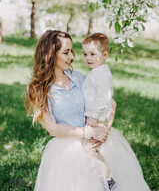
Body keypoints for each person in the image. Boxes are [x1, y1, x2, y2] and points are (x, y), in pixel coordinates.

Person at [25, 29, 150, 191]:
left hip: (95, 141)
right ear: (51, 54)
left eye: (72, 51)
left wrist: (104, 131)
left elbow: (110, 103)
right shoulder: (39, 89)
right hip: (67, 149)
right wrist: (89, 133)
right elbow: (53, 129)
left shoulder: (77, 77)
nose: (72, 57)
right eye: (66, 52)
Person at [82, 33, 117, 191]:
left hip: (97, 120)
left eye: (92, 54)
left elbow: (104, 98)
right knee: (90, 148)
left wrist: (93, 118)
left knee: (89, 148)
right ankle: (99, 179)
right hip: (95, 118)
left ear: (105, 55)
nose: (88, 58)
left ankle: (107, 178)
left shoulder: (101, 73)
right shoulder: (98, 70)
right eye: (85, 54)